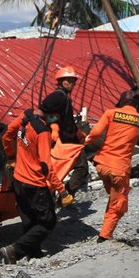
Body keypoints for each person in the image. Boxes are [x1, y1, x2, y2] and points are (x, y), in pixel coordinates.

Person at [84, 90, 139, 242]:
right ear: (135, 105)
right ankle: (104, 237)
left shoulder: (111, 113)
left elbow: (96, 132)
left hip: (102, 166)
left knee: (114, 197)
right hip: (119, 171)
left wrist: (83, 143)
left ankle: (106, 228)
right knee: (120, 202)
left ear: (121, 103)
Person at [0, 91, 68, 264]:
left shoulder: (25, 117)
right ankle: (15, 250)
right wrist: (62, 190)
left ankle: (34, 255)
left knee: (30, 219)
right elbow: (46, 166)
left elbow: (7, 134)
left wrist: (11, 156)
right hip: (34, 183)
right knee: (48, 221)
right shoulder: (43, 131)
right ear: (55, 113)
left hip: (18, 179)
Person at [50, 66, 89, 199]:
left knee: (59, 170)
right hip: (61, 140)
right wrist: (54, 128)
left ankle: (62, 197)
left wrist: (77, 131)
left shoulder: (64, 98)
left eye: (73, 81)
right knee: (81, 168)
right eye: (68, 80)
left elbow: (66, 120)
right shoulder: (58, 97)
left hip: (67, 139)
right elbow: (49, 115)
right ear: (60, 81)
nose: (71, 84)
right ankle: (65, 197)